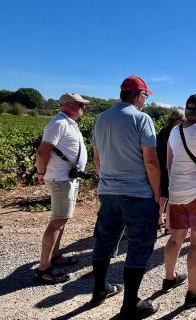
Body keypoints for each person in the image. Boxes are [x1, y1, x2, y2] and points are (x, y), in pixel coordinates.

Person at [91, 76, 161, 318]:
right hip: (138, 193)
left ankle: (99, 289)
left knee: (104, 240)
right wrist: (157, 193)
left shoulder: (102, 118)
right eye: (146, 96)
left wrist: (108, 181)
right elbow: (151, 163)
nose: (146, 101)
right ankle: (130, 303)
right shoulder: (142, 119)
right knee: (139, 245)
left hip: (108, 192)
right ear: (139, 96)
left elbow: (96, 159)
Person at [163, 94, 196, 307]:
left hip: (176, 193)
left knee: (175, 238)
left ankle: (169, 279)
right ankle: (193, 293)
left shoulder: (174, 131)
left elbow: (169, 165)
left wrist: (174, 190)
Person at [33, 93, 91, 284]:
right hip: (60, 179)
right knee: (58, 220)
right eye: (80, 104)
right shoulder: (58, 123)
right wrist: (41, 173)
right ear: (68, 105)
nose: (83, 107)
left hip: (67, 178)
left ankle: (55, 255)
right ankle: (43, 268)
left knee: (62, 219)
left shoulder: (67, 123)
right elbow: (42, 153)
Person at [157, 109, 186, 235]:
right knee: (171, 198)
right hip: (171, 168)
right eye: (184, 121)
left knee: (162, 196)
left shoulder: (162, 131)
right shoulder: (176, 133)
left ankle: (159, 221)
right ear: (178, 121)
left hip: (160, 167)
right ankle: (169, 226)